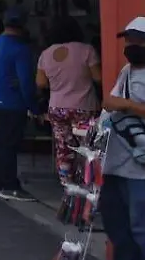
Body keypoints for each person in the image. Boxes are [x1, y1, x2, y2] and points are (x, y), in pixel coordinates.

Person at [99, 17, 145, 260]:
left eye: (139, 40)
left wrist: (127, 104)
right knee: (118, 227)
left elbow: (122, 105)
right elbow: (113, 107)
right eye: (129, 40)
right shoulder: (127, 72)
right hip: (116, 163)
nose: (132, 46)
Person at [36, 16, 102, 184]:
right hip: (84, 108)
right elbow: (98, 77)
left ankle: (68, 185)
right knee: (88, 149)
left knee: (64, 149)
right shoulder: (87, 50)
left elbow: (41, 82)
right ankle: (88, 184)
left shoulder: (46, 54)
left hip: (57, 108)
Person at [0, 7, 39, 201]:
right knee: (9, 146)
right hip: (13, 103)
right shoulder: (21, 49)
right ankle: (10, 186)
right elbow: (26, 82)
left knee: (0, 144)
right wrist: (34, 106)